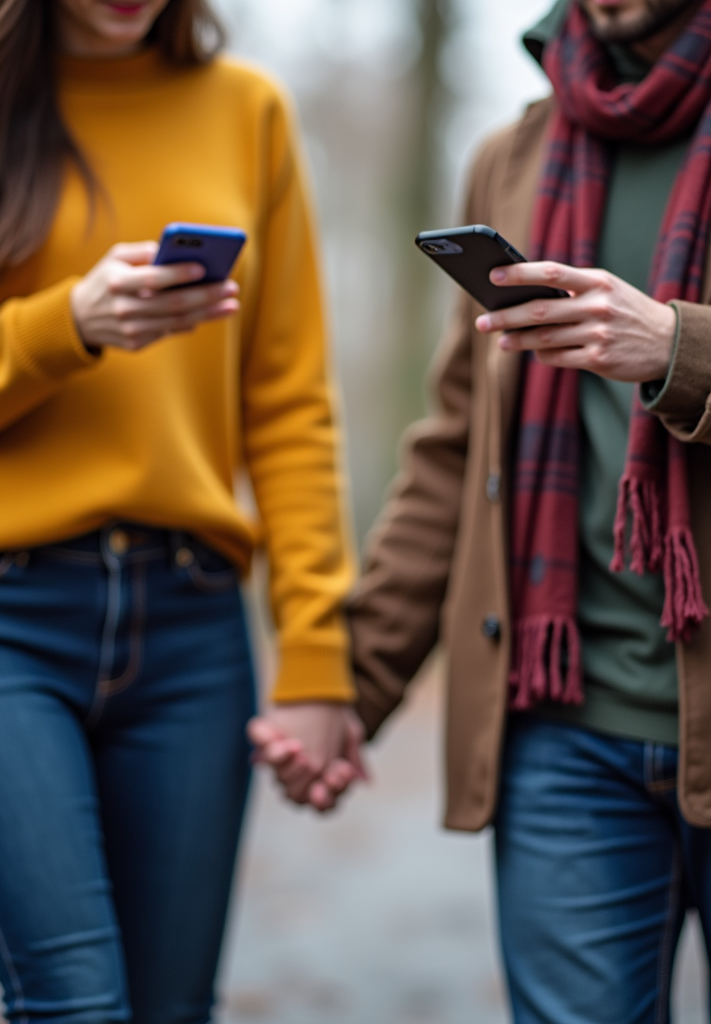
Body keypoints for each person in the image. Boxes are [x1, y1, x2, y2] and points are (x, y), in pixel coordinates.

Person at [251, 0, 711, 1019]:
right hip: (562, 730)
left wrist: (678, 350)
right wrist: (349, 686)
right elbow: (460, 452)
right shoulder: (517, 153)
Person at [0, 1, 358, 1021]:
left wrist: (316, 655)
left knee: (172, 1007)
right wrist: (62, 328)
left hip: (192, 625)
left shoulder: (245, 109)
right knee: (76, 1000)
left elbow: (292, 408)